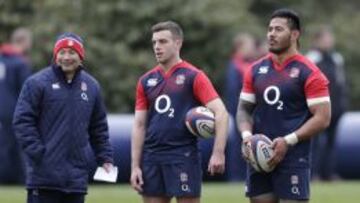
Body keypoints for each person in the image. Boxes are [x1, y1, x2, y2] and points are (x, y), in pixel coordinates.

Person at [236, 9, 331, 202]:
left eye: (278, 29)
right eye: (270, 29)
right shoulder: (255, 70)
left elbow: (323, 117)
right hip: (259, 157)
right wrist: (247, 137)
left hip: (293, 157)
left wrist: (288, 141)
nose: (271, 34)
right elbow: (244, 109)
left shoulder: (310, 72)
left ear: (295, 34)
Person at [130, 21, 228, 203]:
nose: (157, 47)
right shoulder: (145, 81)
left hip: (183, 156)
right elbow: (139, 124)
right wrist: (135, 166)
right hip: (152, 157)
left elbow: (221, 113)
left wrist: (218, 153)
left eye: (163, 42)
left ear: (178, 43)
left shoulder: (194, 76)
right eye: (154, 43)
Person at [13, 32, 114, 203]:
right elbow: (22, 121)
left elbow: (99, 129)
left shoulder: (92, 87)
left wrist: (105, 159)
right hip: (43, 179)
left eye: (72, 52)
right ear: (55, 55)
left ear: (81, 56)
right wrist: (39, 153)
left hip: (76, 181)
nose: (66, 57)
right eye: (62, 52)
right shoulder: (36, 83)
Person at [306, 25, 348, 181]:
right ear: (317, 40)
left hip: (335, 108)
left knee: (331, 142)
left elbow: (341, 83)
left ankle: (329, 173)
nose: (330, 41)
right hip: (317, 108)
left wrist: (342, 104)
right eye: (326, 38)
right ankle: (313, 173)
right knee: (315, 142)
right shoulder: (311, 58)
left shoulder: (337, 59)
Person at [0, 27, 32, 183]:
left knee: (5, 145)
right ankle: (24, 179)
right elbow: (26, 89)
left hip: (1, 111)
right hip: (15, 110)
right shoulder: (20, 63)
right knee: (22, 145)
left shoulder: (1, 59)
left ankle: (4, 179)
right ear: (24, 42)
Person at [224, 33, 258, 181]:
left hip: (252, 113)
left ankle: (250, 174)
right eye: (249, 46)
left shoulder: (250, 64)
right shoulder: (234, 66)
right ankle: (236, 177)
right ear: (239, 47)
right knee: (239, 144)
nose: (252, 50)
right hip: (240, 113)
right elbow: (232, 93)